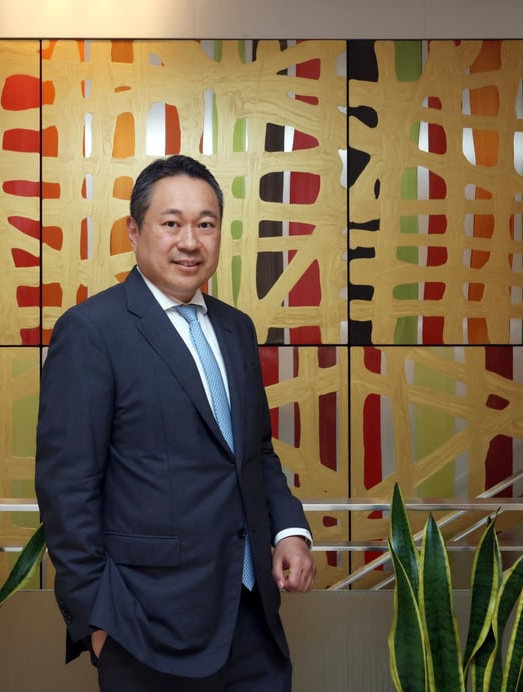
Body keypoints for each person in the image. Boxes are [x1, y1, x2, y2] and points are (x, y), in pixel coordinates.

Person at [35, 154, 316, 692]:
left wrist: (289, 531)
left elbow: (254, 452)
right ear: (134, 231)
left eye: (205, 224)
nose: (190, 241)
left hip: (252, 619)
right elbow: (67, 492)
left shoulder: (236, 328)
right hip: (146, 627)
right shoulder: (92, 331)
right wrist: (98, 624)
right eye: (172, 223)